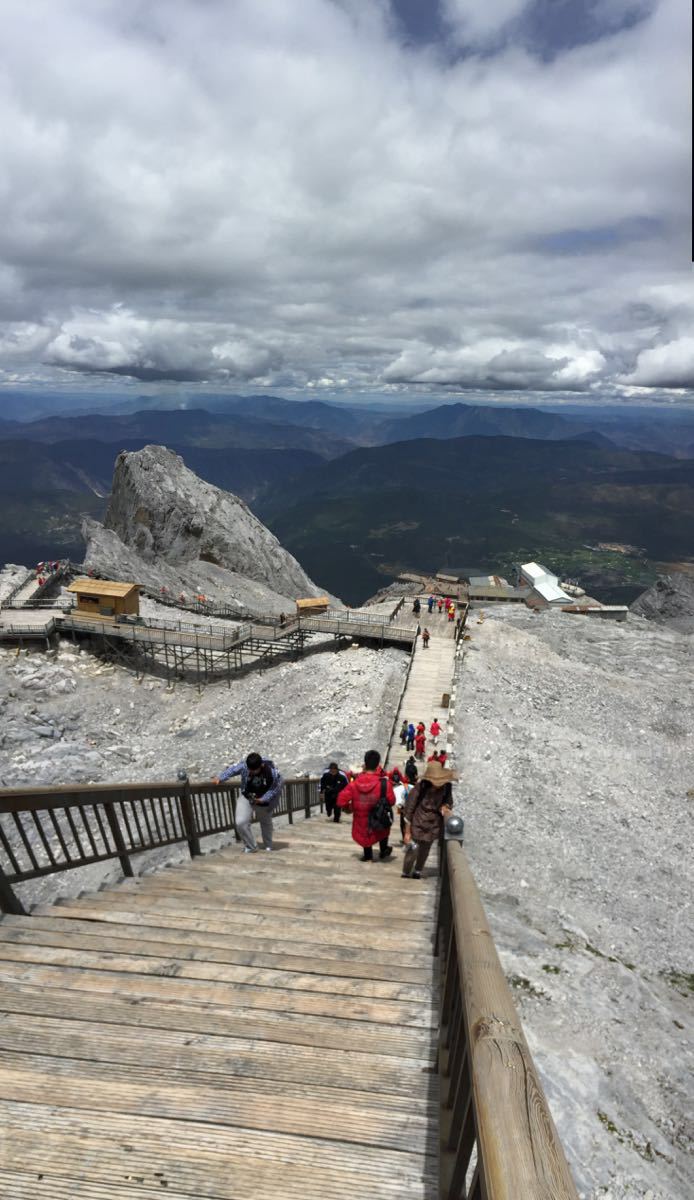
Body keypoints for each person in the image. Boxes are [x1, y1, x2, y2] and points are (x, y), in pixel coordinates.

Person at [212, 752, 283, 852]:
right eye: (250, 770)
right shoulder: (245, 766)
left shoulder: (272, 772)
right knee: (240, 822)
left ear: (261, 765)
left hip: (264, 800)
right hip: (247, 796)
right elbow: (233, 769)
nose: (251, 772)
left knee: (265, 822)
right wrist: (220, 778)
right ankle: (251, 846)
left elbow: (274, 789)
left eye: (254, 770)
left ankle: (268, 846)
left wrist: (262, 799)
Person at [401, 759, 457, 879]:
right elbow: (409, 808)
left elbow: (449, 802)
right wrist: (407, 832)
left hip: (434, 824)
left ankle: (418, 870)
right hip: (418, 821)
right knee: (413, 848)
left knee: (425, 849)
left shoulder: (447, 787)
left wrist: (446, 806)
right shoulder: (421, 787)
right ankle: (406, 871)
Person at [337, 749, 395, 862]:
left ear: (365, 764)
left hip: (361, 818)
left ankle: (367, 855)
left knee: (364, 833)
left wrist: (349, 808)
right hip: (379, 818)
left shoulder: (354, 784)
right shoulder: (384, 783)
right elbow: (391, 801)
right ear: (378, 764)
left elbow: (341, 800)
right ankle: (383, 851)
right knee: (383, 827)